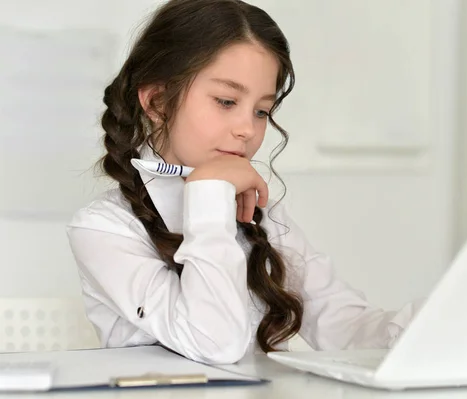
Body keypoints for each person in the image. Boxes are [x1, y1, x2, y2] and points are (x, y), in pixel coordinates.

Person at [66, 0, 420, 365]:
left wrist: (431, 319)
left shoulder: (260, 216)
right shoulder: (103, 229)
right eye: (225, 101)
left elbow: (345, 328)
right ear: (157, 101)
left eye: (262, 110)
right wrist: (207, 193)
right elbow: (215, 344)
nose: (247, 129)